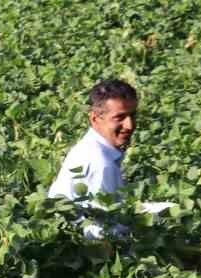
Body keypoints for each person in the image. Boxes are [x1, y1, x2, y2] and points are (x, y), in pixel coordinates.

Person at [48, 78, 138, 239]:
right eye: (120, 117)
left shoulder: (90, 147)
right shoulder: (100, 163)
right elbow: (102, 233)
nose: (130, 125)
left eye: (132, 115)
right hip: (85, 249)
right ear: (95, 118)